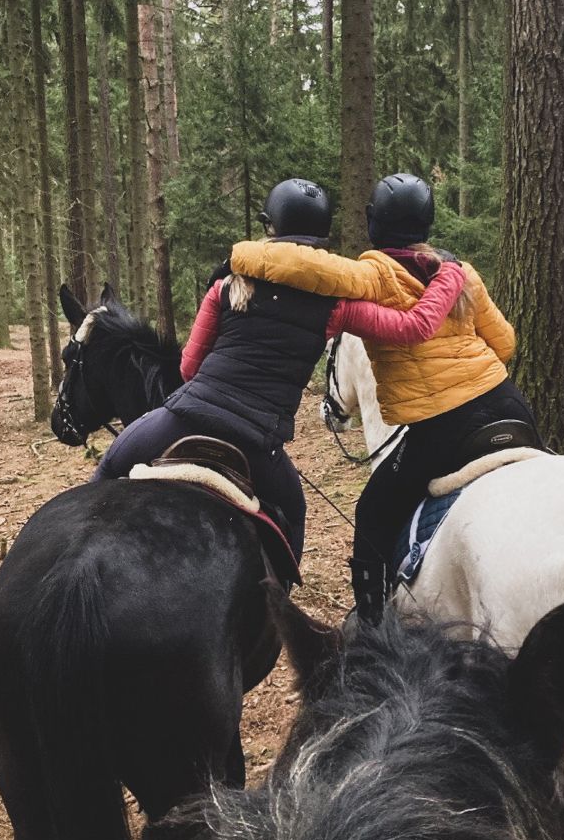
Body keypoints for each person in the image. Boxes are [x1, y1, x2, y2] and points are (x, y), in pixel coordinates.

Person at [94, 177, 465, 564]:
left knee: (109, 467)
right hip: (257, 445)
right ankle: (280, 601)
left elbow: (189, 367)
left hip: (183, 419)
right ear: (322, 236)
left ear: (270, 227)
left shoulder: (226, 287)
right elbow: (414, 327)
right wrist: (447, 276)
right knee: (294, 519)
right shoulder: (333, 307)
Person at [229, 172, 539, 619]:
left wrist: (241, 254)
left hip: (443, 427)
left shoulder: (374, 274)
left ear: (373, 221)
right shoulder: (461, 273)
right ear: (428, 223)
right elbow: (505, 344)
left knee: (372, 515)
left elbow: (303, 266)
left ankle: (372, 624)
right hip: (509, 405)